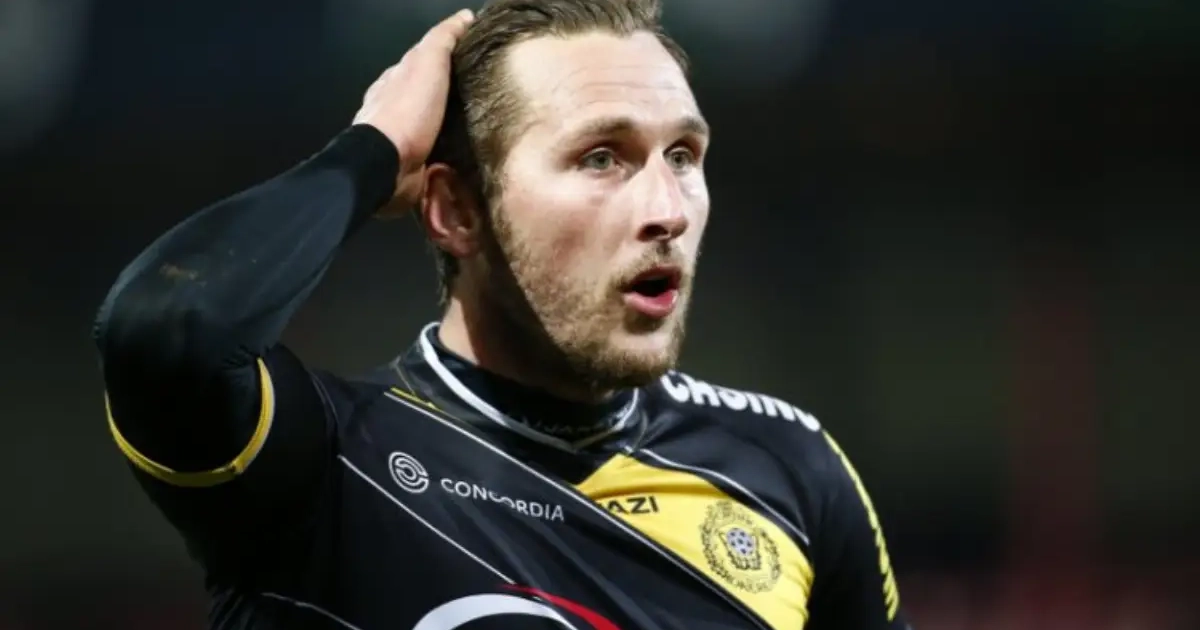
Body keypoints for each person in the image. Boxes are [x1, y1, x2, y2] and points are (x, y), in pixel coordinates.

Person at [94, 0, 911, 628]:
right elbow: (168, 330)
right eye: (601, 158)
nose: (667, 208)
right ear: (456, 210)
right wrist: (373, 151)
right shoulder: (329, 469)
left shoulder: (787, 471)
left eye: (682, 156)